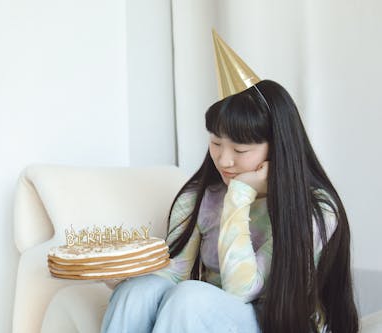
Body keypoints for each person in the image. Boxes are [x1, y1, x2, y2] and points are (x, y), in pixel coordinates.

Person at [100, 80, 359, 333]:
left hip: (280, 322)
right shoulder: (200, 197)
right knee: (138, 292)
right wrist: (120, 274)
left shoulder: (316, 210)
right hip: (210, 318)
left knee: (190, 298)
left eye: (240, 150)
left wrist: (240, 195)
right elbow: (175, 273)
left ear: (278, 147)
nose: (224, 160)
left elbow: (241, 289)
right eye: (216, 143)